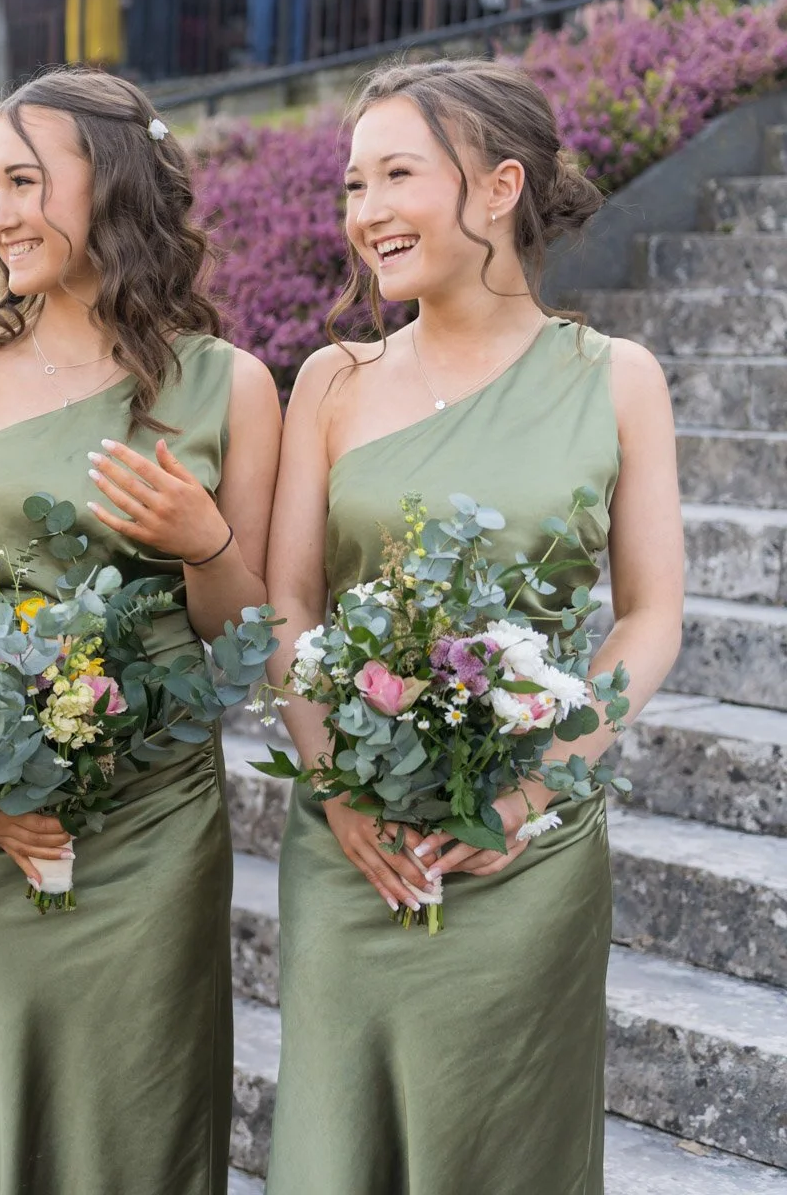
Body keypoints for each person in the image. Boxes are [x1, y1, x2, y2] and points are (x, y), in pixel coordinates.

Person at [262, 58, 683, 1194]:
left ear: (499, 187)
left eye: (398, 174)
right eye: (355, 184)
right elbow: (290, 605)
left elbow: (651, 612)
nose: (367, 212)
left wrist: (537, 785)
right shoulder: (331, 382)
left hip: (529, 854)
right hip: (355, 847)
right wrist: (335, 787)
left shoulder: (617, 377)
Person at [0, 66, 281, 1195]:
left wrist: (202, 538)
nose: (1, 213)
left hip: (156, 814)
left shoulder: (233, 385)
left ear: (109, 184)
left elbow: (248, 635)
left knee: (140, 1109)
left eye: (26, 180)